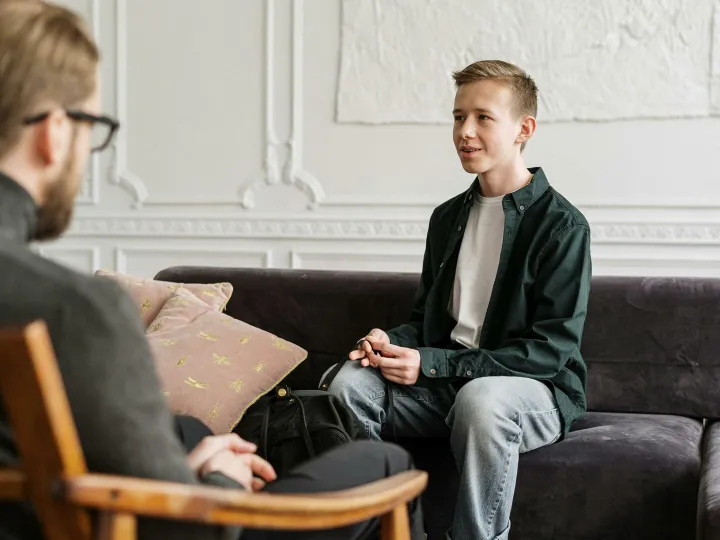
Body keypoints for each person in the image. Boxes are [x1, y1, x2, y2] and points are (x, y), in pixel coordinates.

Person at [0, 2, 423, 540]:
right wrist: (217, 482)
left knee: (187, 431)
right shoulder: (75, 311)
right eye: (93, 128)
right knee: (385, 465)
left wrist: (182, 470)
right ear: (55, 132)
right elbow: (185, 533)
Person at [325, 60, 592, 540]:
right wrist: (390, 341)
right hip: (448, 386)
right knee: (349, 385)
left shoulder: (562, 227)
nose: (464, 132)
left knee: (481, 400)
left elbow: (550, 351)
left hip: (531, 393)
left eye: (483, 118)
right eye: (457, 117)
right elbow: (426, 321)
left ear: (523, 129)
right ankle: (387, 529)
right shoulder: (447, 218)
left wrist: (430, 363)